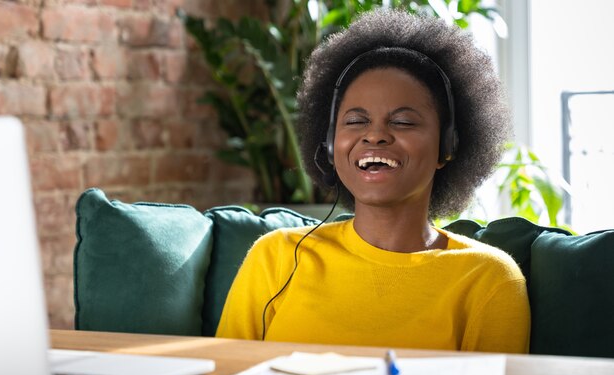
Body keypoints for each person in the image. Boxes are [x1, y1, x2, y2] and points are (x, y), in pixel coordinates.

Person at [216, 9, 530, 353]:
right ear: (331, 144)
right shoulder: (276, 256)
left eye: (403, 122)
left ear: (448, 147)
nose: (375, 135)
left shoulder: (490, 279)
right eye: (355, 121)